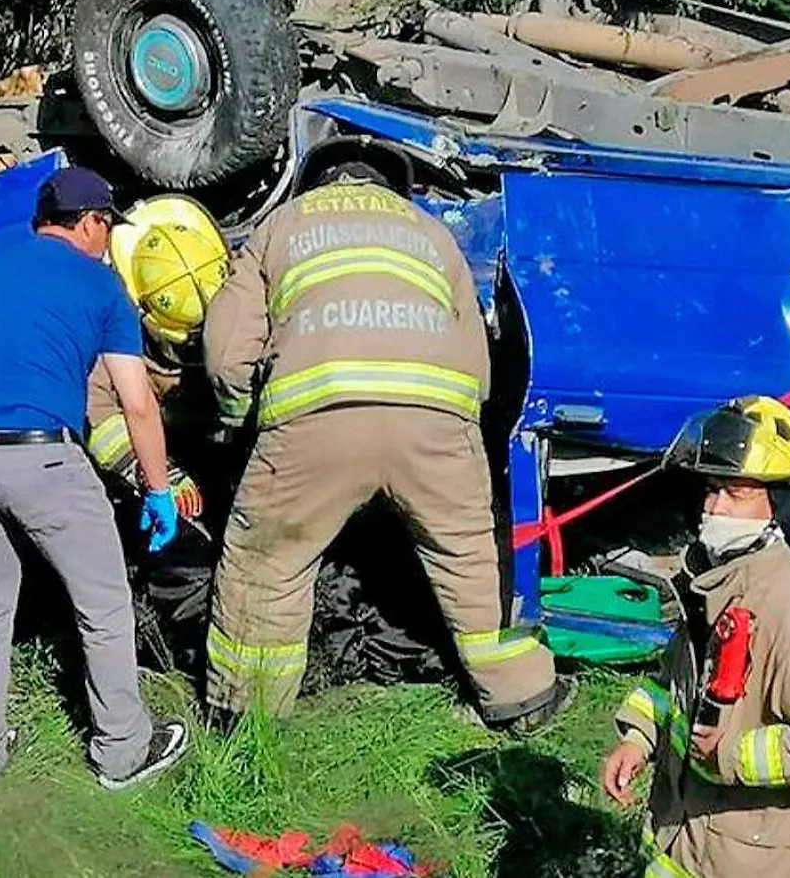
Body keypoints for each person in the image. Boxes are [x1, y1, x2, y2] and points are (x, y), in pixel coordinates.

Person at [201, 158, 566, 731]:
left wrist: (238, 419)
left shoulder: (282, 224)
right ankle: (523, 699)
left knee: (268, 563)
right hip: (435, 417)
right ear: (390, 188)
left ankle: (247, 721)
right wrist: (463, 428)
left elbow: (225, 350)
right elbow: (476, 349)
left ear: (319, 183)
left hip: (318, 413)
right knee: (470, 557)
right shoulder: (430, 232)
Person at [0, 165, 192, 793]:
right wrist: (158, 490)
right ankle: (123, 752)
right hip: (45, 459)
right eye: (107, 226)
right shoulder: (102, 288)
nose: (107, 240)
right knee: (104, 606)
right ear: (90, 223)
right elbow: (136, 402)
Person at [599, 396, 790, 878]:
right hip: (686, 839)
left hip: (756, 857)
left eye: (735, 493)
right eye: (710, 489)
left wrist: (730, 755)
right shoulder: (712, 581)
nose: (713, 508)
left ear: (781, 506)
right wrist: (639, 739)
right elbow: (672, 686)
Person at [81, 194, 230, 526]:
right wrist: (154, 473)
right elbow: (99, 418)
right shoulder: (103, 321)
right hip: (141, 459)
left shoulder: (236, 301)